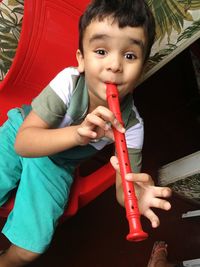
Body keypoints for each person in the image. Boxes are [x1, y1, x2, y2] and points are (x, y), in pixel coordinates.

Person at [0, 0, 172, 266]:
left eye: (130, 55)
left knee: (29, 250)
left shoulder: (133, 125)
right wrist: (77, 135)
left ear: (141, 68)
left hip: (57, 166)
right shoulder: (68, 82)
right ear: (81, 58)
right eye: (101, 50)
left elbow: (121, 190)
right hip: (23, 132)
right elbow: (24, 143)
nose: (115, 65)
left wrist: (134, 198)